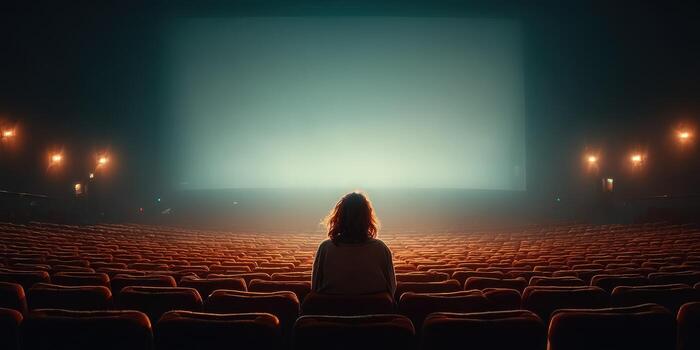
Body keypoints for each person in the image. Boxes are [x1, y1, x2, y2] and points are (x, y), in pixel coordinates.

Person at [311, 191, 396, 297]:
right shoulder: (381, 248)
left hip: (332, 311)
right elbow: (391, 289)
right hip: (375, 310)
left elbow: (315, 288)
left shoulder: (325, 248)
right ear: (368, 217)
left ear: (339, 217)